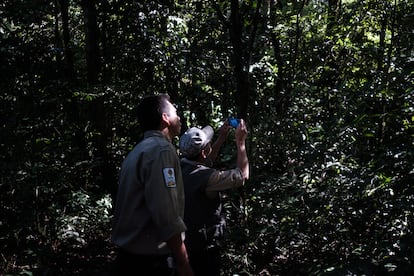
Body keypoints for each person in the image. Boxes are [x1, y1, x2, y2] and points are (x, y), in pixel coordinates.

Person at [111, 94, 193, 276]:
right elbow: (167, 215)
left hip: (128, 258)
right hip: (150, 263)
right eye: (175, 112)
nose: (179, 117)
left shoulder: (139, 150)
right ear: (165, 118)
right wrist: (183, 263)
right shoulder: (161, 151)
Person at [179, 119, 249, 276]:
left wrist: (221, 139)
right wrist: (240, 142)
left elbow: (206, 161)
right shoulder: (208, 178)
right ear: (204, 151)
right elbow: (242, 176)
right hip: (204, 247)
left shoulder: (179, 167)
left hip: (185, 242)